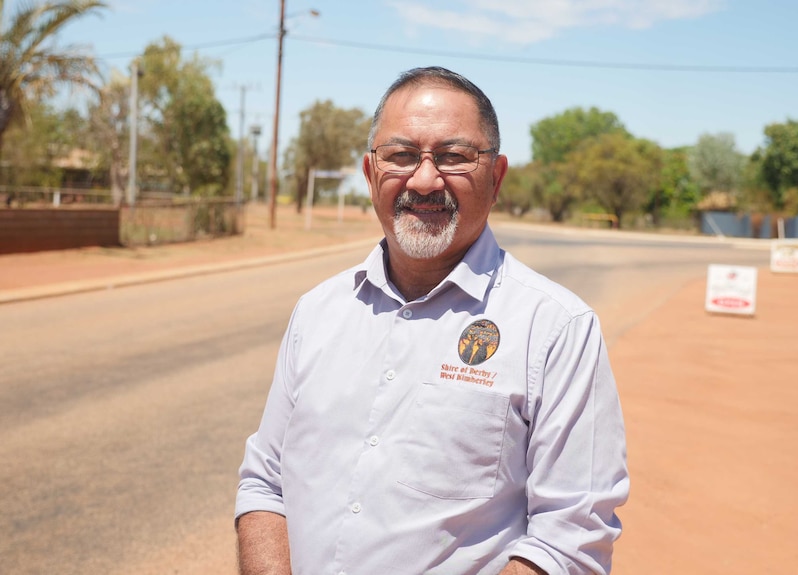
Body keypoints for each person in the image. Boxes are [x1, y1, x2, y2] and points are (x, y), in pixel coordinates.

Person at [235, 66, 629, 575]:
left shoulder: (556, 329)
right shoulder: (317, 310)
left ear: (497, 177)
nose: (424, 179)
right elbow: (266, 484)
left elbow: (569, 541)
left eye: (453, 156)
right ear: (371, 171)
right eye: (401, 155)